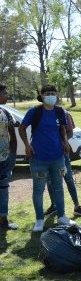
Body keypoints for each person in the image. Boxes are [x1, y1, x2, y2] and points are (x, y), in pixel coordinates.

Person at [18, 85, 74, 232]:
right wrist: (26, 145)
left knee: (58, 187)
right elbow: (22, 128)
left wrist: (65, 141)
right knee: (38, 189)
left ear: (57, 95)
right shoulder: (34, 111)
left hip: (57, 157)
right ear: (42, 96)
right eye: (47, 93)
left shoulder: (60, 111)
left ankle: (62, 216)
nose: (51, 96)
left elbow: (62, 128)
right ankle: (39, 220)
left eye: (53, 93)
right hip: (38, 158)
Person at [43, 107, 81, 218]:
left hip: (62, 153)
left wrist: (61, 142)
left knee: (68, 178)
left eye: (53, 94)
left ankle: (77, 206)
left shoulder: (64, 113)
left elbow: (70, 132)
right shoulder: (41, 113)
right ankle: (54, 205)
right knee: (50, 180)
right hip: (47, 153)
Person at [0, 85, 18, 230]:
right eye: (5, 93)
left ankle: (3, 220)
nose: (7, 95)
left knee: (4, 189)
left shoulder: (6, 112)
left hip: (5, 158)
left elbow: (12, 135)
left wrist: (13, 154)